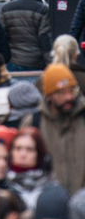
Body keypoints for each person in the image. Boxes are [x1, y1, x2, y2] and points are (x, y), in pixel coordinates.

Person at [26, 63, 85, 193]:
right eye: (61, 93)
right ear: (49, 95)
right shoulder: (34, 122)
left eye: (72, 90)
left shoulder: (83, 116)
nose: (68, 97)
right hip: (49, 198)